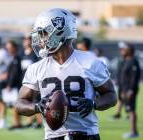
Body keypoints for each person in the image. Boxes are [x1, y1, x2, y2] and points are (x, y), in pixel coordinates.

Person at [15, 8, 117, 140]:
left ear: (59, 32)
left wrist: (94, 104)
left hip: (87, 135)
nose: (40, 40)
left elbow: (111, 95)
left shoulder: (90, 62)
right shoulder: (36, 68)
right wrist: (36, 107)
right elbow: (19, 103)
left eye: (44, 34)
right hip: (53, 136)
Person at [116, 43, 140, 139]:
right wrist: (122, 90)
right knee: (129, 110)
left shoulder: (133, 61)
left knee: (131, 111)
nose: (122, 51)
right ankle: (133, 132)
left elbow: (135, 78)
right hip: (125, 90)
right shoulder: (126, 61)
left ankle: (134, 132)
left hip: (130, 91)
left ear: (129, 51)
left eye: (124, 49)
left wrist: (131, 90)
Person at [21, 36, 42, 129]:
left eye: (28, 40)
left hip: (34, 83)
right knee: (27, 101)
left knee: (36, 101)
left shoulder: (35, 54)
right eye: (25, 40)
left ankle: (39, 122)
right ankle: (29, 121)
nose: (26, 42)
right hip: (25, 82)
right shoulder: (22, 54)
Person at [5, 40, 23, 130]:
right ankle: (17, 123)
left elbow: (15, 74)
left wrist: (10, 85)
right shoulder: (13, 58)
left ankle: (17, 123)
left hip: (16, 86)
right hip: (15, 86)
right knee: (14, 106)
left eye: (10, 48)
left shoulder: (17, 58)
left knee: (15, 105)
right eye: (7, 48)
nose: (8, 49)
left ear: (14, 48)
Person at [112, 42, 126, 120]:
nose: (121, 50)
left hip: (124, 82)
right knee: (120, 98)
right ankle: (118, 113)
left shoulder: (126, 59)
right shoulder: (121, 58)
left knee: (125, 98)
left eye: (122, 49)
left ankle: (128, 113)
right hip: (120, 82)